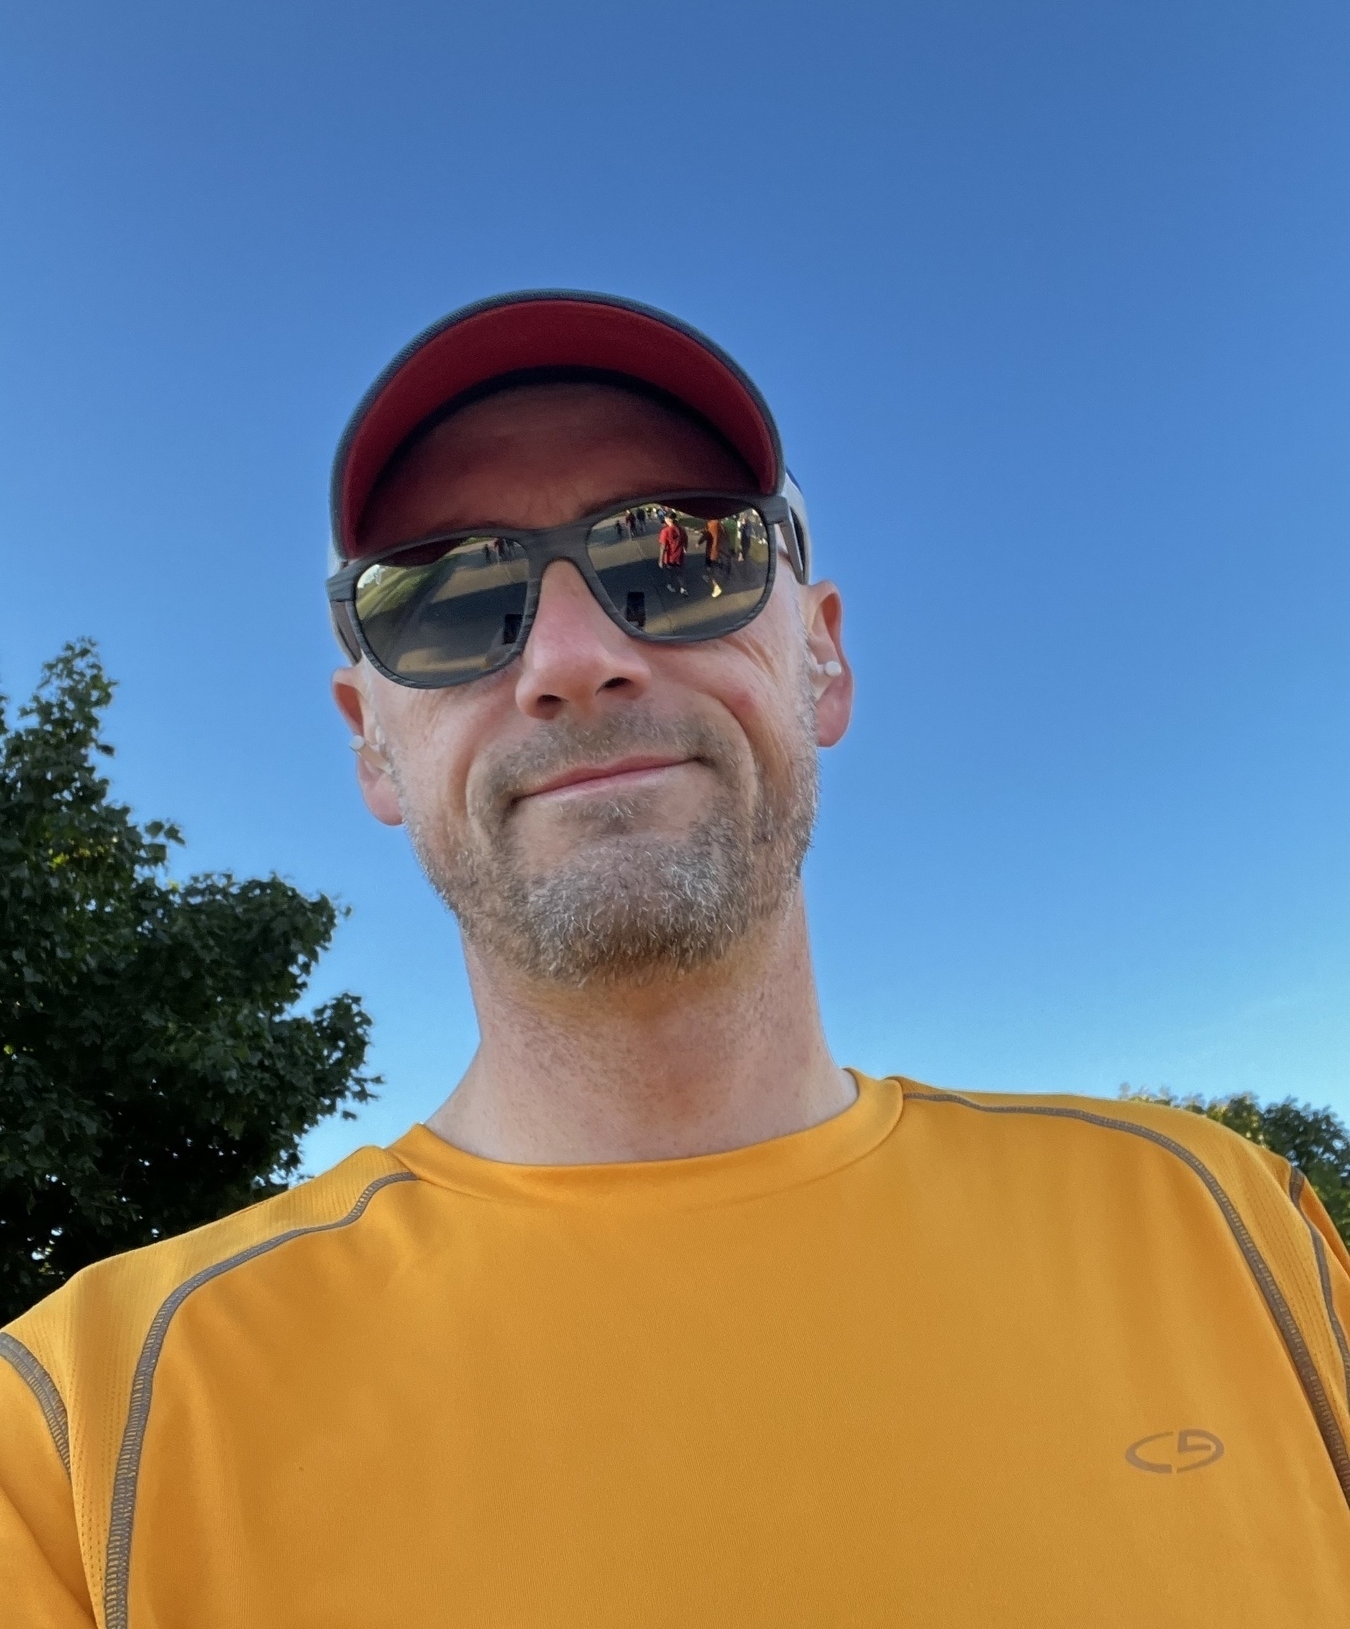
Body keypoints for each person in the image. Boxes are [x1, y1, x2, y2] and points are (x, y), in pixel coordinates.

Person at [3, 289, 1349, 1629]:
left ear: (819, 656)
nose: (576, 660)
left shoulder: (1228, 1233)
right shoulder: (78, 1435)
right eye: (450, 597)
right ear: (370, 742)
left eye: (681, 557)